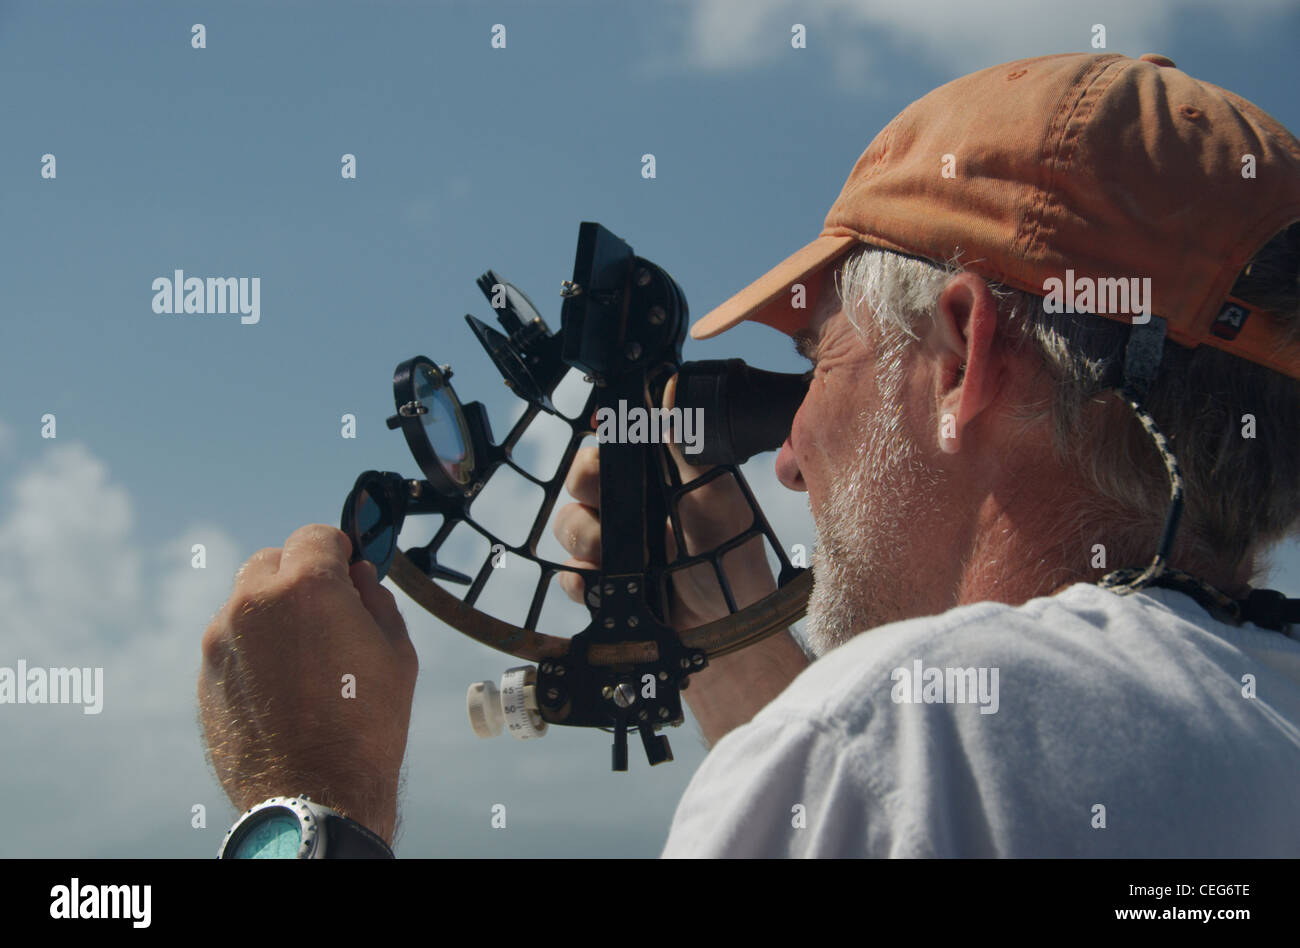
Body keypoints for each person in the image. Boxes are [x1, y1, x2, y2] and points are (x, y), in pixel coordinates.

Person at [199, 52, 1300, 857]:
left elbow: (899, 765)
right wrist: (730, 641)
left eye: (819, 361)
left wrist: (305, 792)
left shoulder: (906, 741)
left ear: (966, 356)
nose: (786, 462)